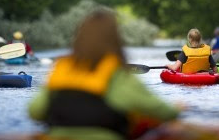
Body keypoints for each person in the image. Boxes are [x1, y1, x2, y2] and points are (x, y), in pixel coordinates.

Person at [28, 11, 180, 140]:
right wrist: (177, 108)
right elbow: (164, 112)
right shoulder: (116, 73)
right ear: (114, 40)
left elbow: (35, 111)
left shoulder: (62, 67)